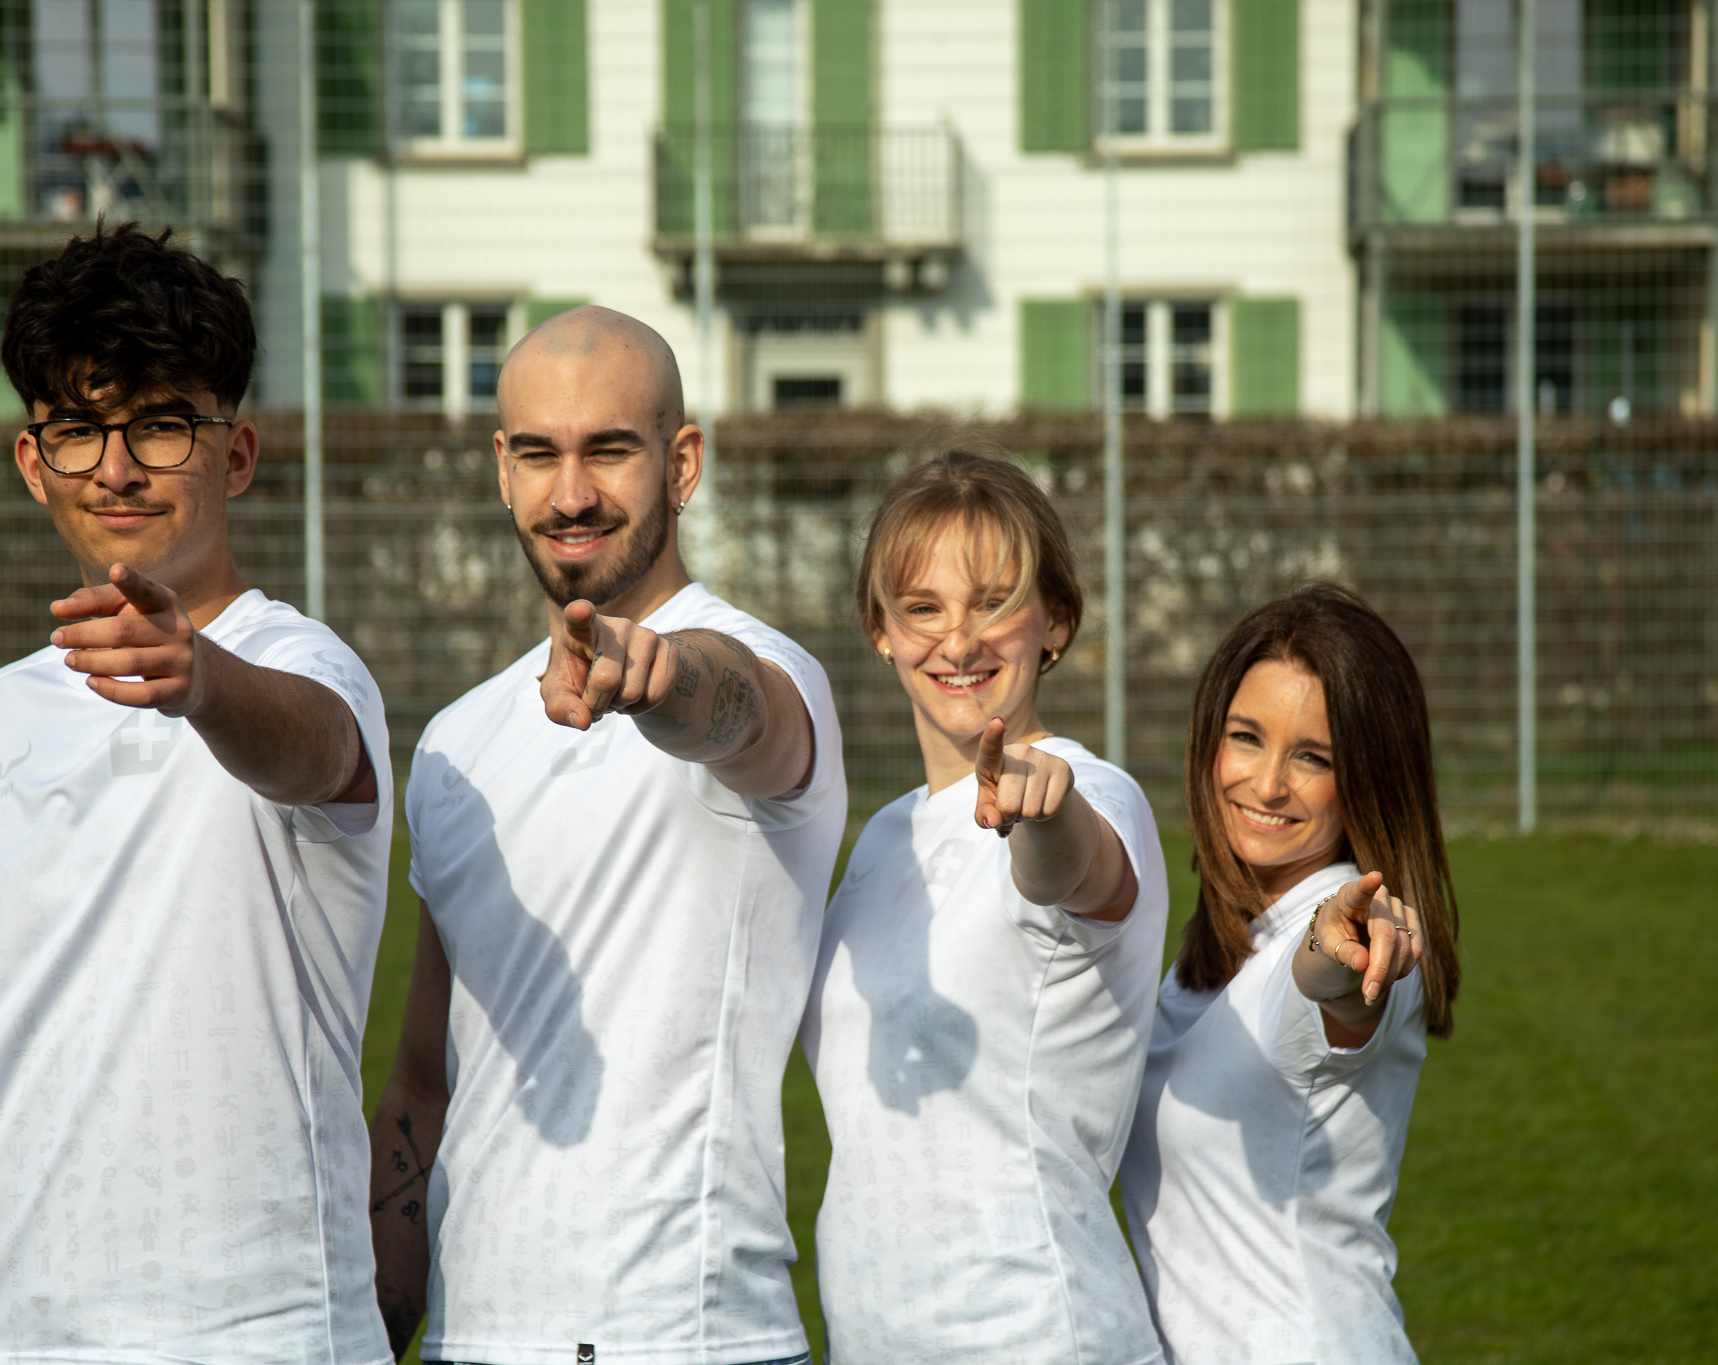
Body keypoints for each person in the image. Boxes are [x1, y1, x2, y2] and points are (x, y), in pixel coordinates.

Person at [0, 224, 395, 1365]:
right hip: (1, 1331)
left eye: (160, 424)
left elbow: (314, 752)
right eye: (78, 428)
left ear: (235, 454)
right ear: (32, 461)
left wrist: (199, 681)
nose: (115, 469)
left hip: (252, 1336)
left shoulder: (303, 666)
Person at [367, 306, 845, 1365]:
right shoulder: (454, 743)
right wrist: (376, 1332)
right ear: (503, 469)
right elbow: (422, 1084)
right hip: (469, 1338)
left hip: (684, 1338)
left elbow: (743, 713)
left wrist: (659, 680)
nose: (572, 493)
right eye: (540, 454)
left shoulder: (771, 675)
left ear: (683, 464)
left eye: (610, 451)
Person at [800, 447, 1167, 1363]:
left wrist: (1046, 814)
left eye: (995, 602)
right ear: (880, 631)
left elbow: (1073, 870)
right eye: (923, 608)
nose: (958, 642)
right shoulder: (883, 838)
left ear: (1056, 621)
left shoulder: (1091, 790)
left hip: (1037, 1334)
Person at [1118, 584, 1461, 1365]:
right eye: (1246, 737)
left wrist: (1339, 943)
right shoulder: (1221, 948)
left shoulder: (1357, 936)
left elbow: (1329, 980)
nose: (1268, 783)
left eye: (1313, 757)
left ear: (1369, 777)